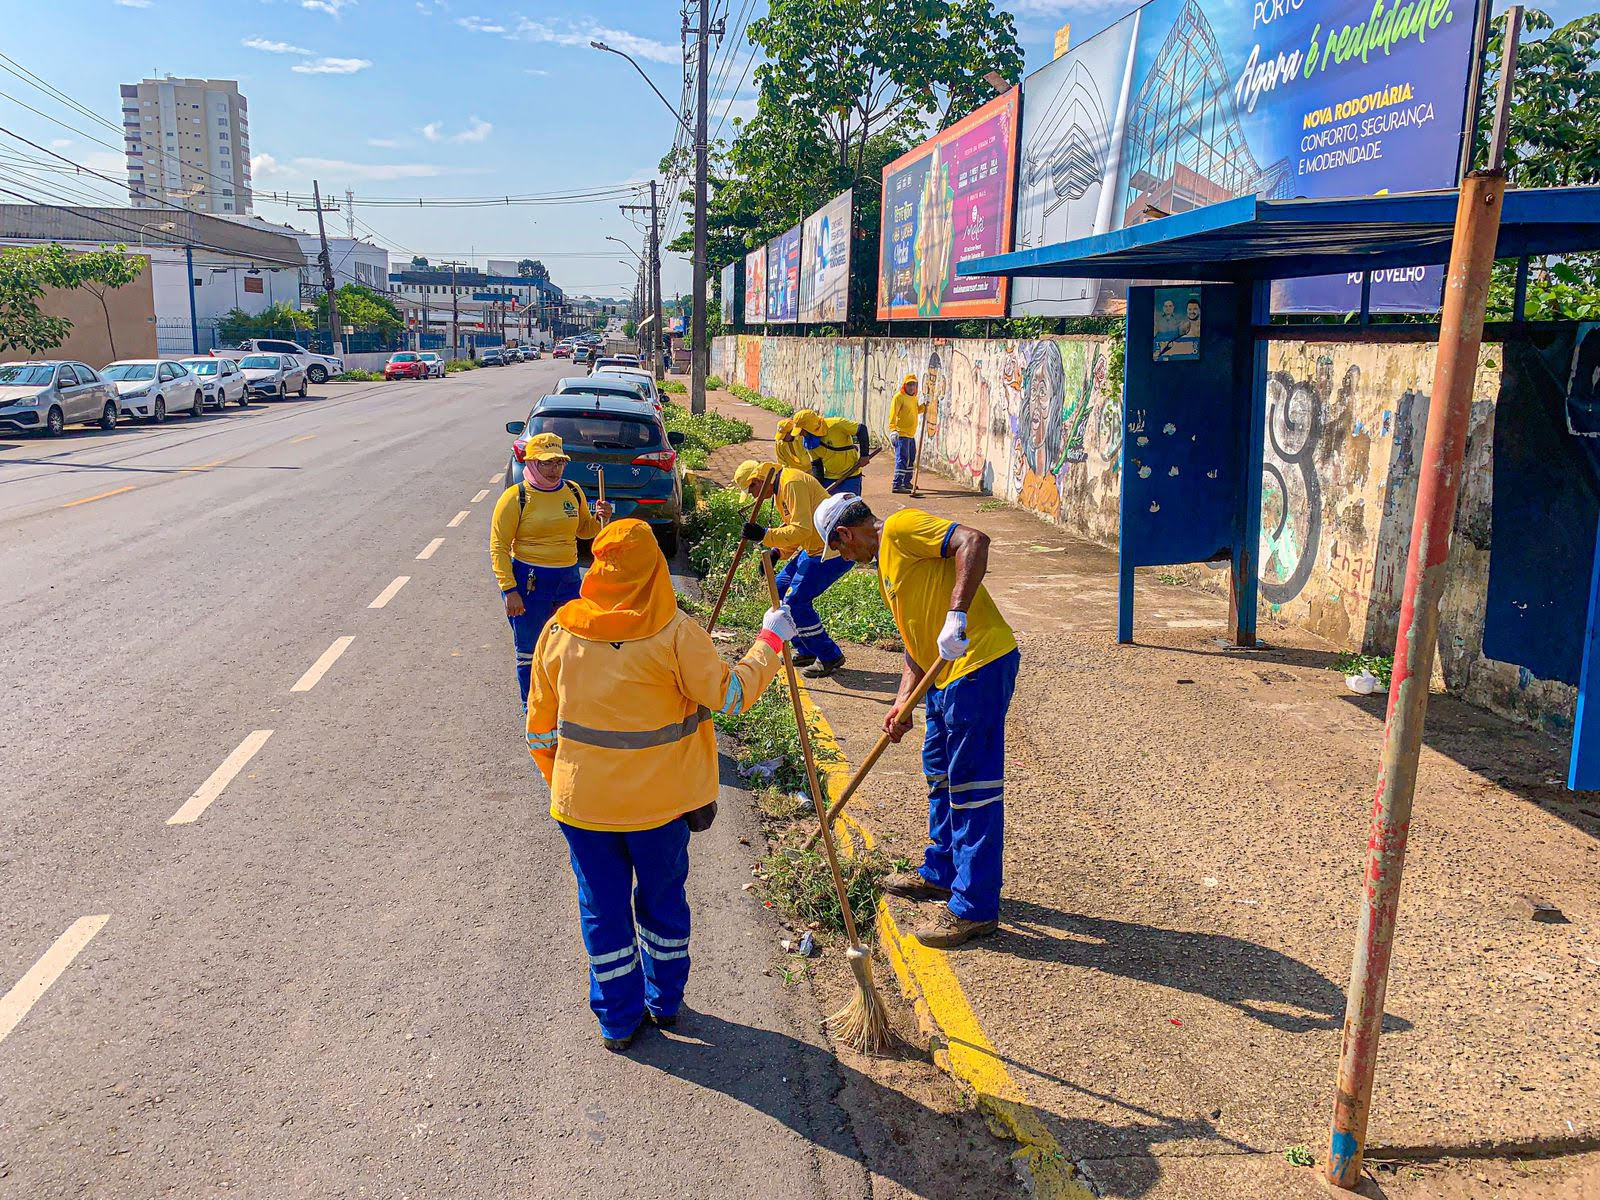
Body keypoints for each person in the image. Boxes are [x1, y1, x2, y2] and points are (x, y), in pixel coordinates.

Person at [526, 520, 797, 1049]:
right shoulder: (676, 634)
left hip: (582, 809)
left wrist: (564, 783)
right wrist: (769, 641)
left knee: (601, 911)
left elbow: (538, 729)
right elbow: (732, 695)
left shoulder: (558, 633)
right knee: (663, 904)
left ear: (597, 566)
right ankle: (665, 1002)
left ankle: (617, 1021)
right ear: (654, 568)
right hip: (660, 810)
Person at [814, 493, 1019, 949]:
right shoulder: (886, 567)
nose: (846, 558)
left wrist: (957, 615)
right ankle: (941, 870)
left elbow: (974, 540)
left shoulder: (902, 528)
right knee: (939, 775)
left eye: (841, 549)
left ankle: (974, 908)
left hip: (977, 665)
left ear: (845, 535)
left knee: (972, 790)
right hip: (942, 678)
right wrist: (902, 700)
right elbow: (914, 640)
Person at [490, 432, 613, 708]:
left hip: (568, 580)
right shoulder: (516, 498)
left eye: (559, 461)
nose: (554, 468)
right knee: (530, 650)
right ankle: (532, 708)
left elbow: (585, 531)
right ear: (531, 462)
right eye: (547, 462)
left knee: (570, 644)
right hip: (529, 581)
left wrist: (600, 517)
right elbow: (498, 547)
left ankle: (564, 704)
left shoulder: (572, 491)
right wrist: (509, 590)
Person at [734, 458, 853, 678]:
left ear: (757, 481)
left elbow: (802, 529)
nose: (752, 496)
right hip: (812, 549)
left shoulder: (791, 482)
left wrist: (765, 536)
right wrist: (778, 551)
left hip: (832, 552)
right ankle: (806, 648)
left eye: (751, 490)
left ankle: (829, 656)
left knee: (795, 602)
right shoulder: (780, 489)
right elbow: (795, 529)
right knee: (778, 589)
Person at [792, 408, 868, 495]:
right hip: (830, 479)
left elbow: (861, 430)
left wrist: (864, 455)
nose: (801, 434)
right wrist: (819, 487)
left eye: (802, 431)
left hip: (851, 476)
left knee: (851, 506)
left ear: (810, 426)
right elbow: (817, 465)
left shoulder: (836, 424)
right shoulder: (810, 443)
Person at [887, 374, 926, 493]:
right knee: (902, 458)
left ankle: (906, 482)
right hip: (901, 434)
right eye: (909, 384)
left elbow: (916, 410)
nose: (911, 387)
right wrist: (893, 430)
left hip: (910, 434)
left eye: (913, 384)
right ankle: (897, 484)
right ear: (905, 385)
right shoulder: (899, 397)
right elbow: (893, 414)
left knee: (911, 459)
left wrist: (925, 406)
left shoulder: (914, 397)